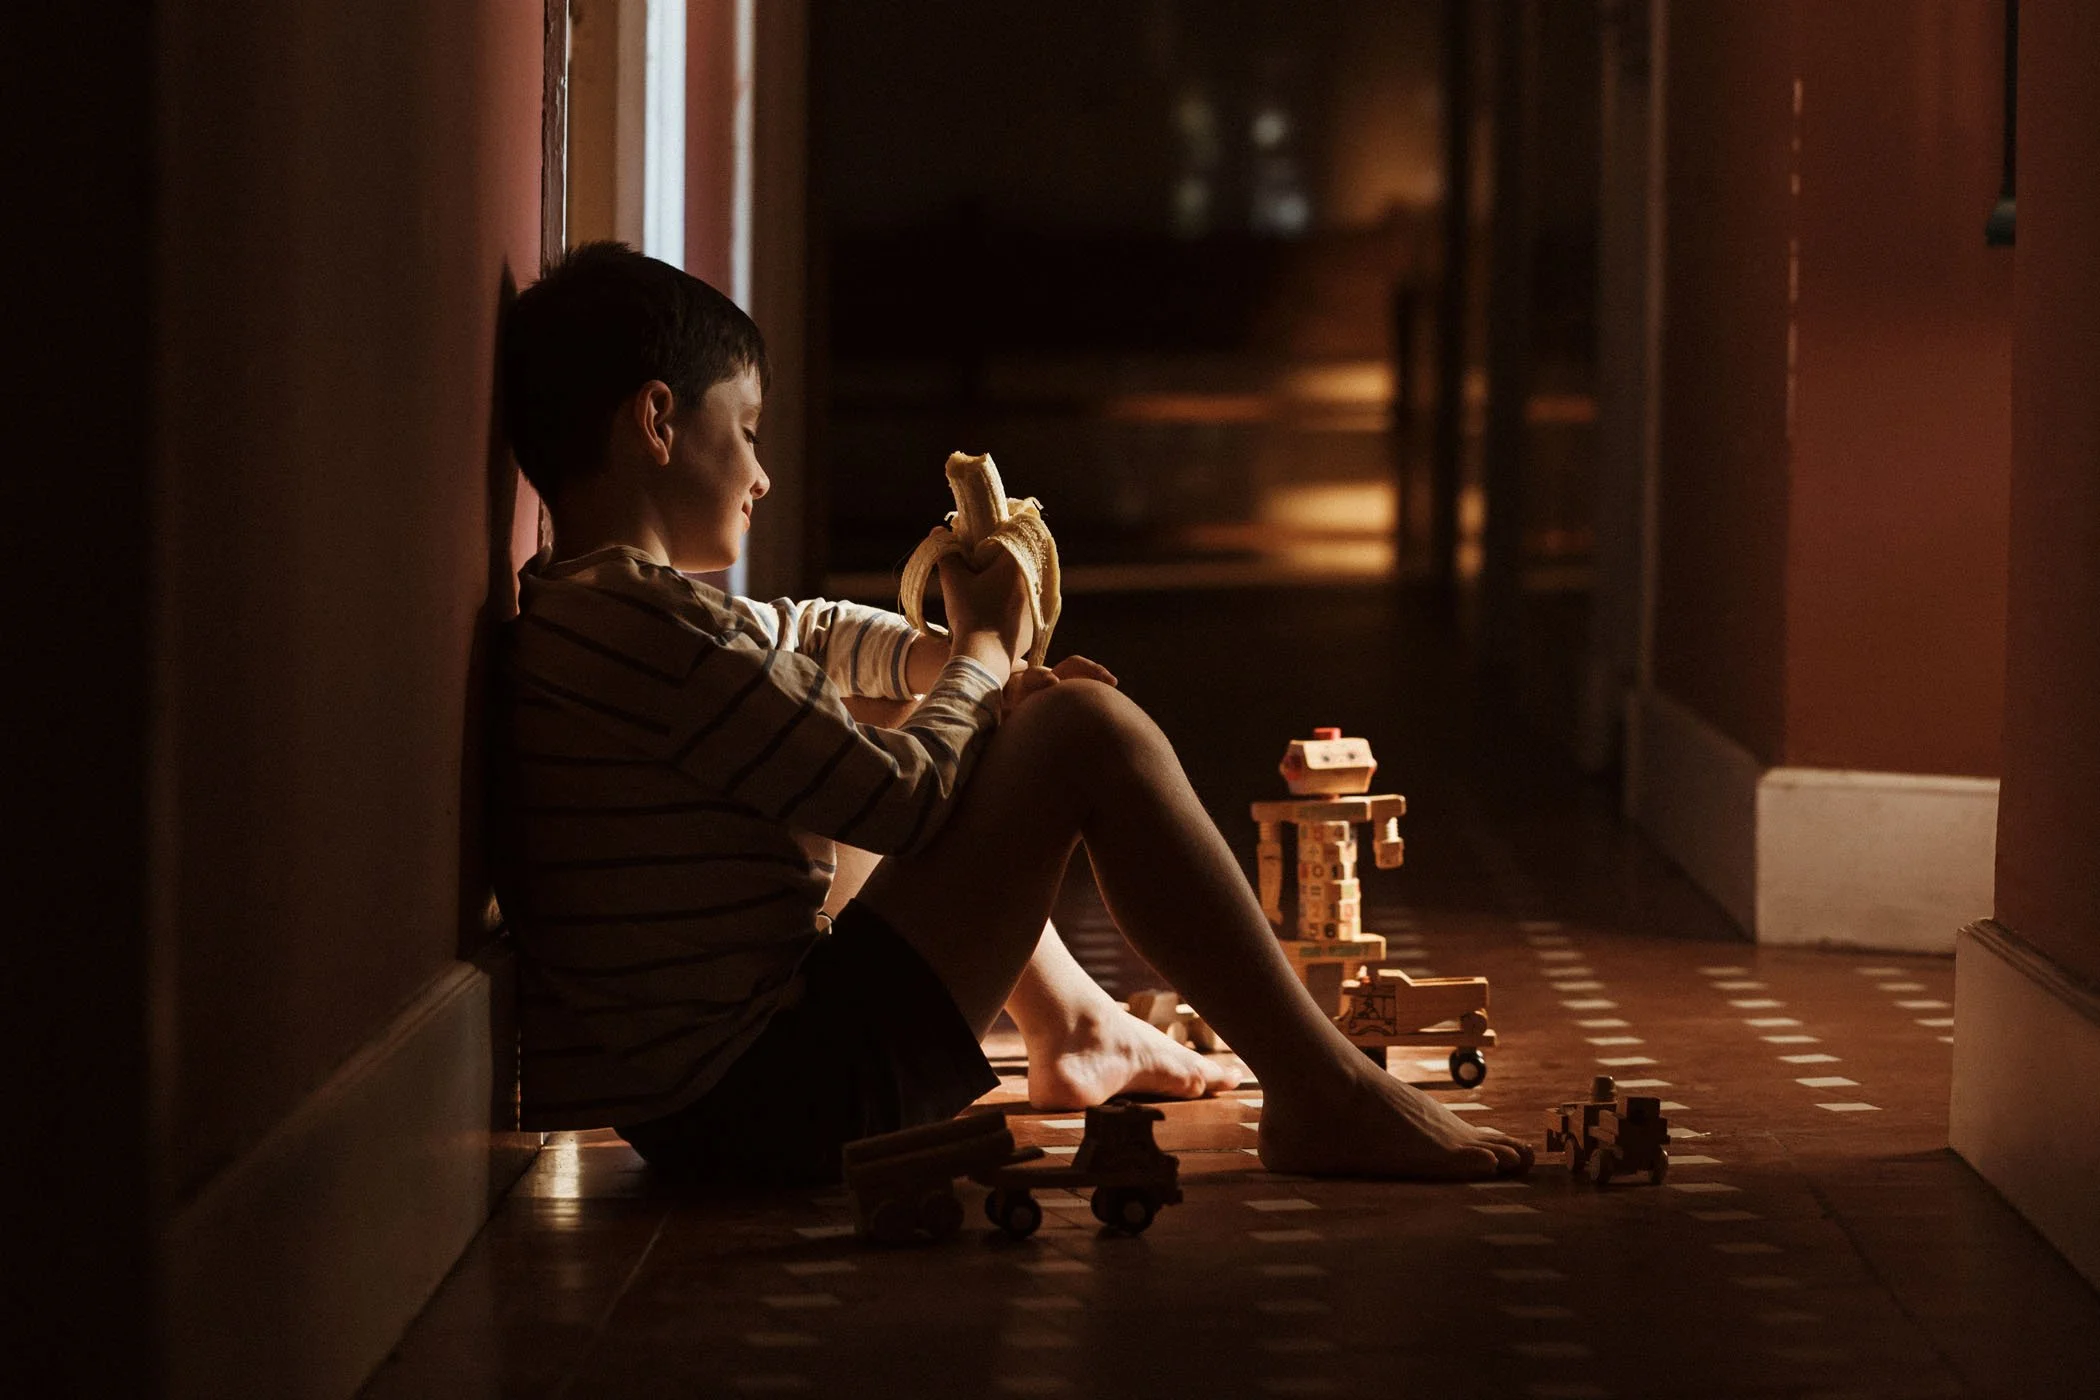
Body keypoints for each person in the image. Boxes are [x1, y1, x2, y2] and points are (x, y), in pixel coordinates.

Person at [495, 242, 1531, 1187]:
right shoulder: (660, 637)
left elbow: (799, 633)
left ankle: (1078, 1022)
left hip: (709, 1105)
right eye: (747, 433)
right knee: (1086, 730)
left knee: (910, 706)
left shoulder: (595, 610)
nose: (762, 474)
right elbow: (897, 803)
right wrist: (988, 654)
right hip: (771, 1108)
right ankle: (1325, 1091)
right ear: (660, 420)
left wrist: (947, 659)